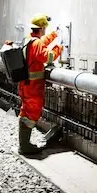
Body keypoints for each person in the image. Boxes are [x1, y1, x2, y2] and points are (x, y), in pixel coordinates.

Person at [16, 14, 63, 155]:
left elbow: (41, 43)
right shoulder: (36, 43)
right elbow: (45, 56)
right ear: (42, 28)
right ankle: (24, 147)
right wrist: (58, 49)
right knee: (30, 115)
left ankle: (24, 144)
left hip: (25, 85)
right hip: (33, 87)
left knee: (25, 113)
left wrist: (55, 34)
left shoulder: (29, 40)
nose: (45, 32)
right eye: (45, 29)